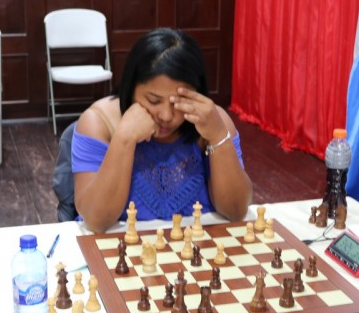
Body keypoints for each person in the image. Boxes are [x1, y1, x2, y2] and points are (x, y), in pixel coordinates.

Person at [72, 27, 253, 233]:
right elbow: (96, 220)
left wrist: (218, 135)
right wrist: (124, 138)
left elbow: (236, 210)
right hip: (118, 248)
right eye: (153, 100)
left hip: (198, 246)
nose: (166, 115)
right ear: (130, 89)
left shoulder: (212, 121)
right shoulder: (98, 121)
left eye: (178, 102)